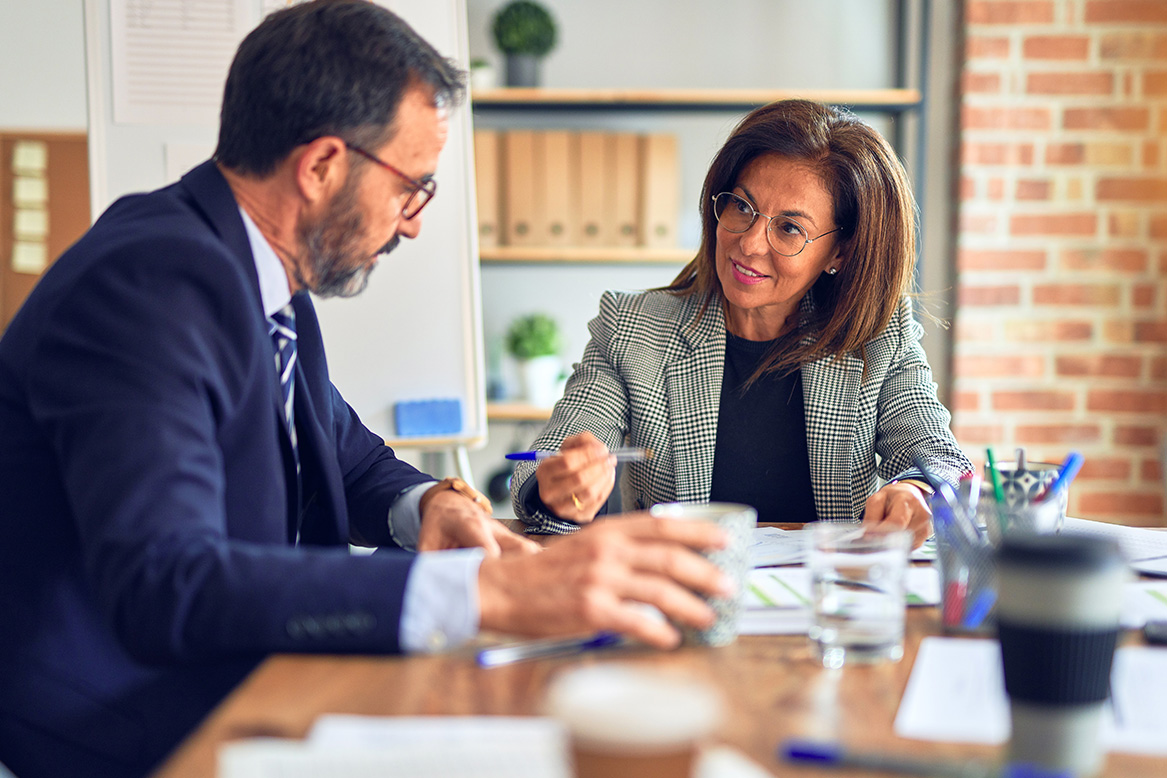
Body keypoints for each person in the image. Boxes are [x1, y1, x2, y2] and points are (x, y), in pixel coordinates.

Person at [0, 4, 728, 777]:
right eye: (412, 187)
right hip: (126, 722)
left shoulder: (257, 276)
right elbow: (166, 582)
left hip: (248, 677)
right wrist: (486, 594)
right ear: (319, 167)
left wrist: (428, 509)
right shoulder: (149, 284)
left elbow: (343, 461)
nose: (412, 225)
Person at [512, 99, 972, 548]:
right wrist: (558, 489)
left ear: (840, 253)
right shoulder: (633, 329)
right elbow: (536, 472)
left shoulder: (876, 334)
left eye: (789, 228)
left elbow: (941, 459)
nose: (749, 243)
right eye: (742, 208)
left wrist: (918, 491)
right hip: (681, 599)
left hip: (825, 602)